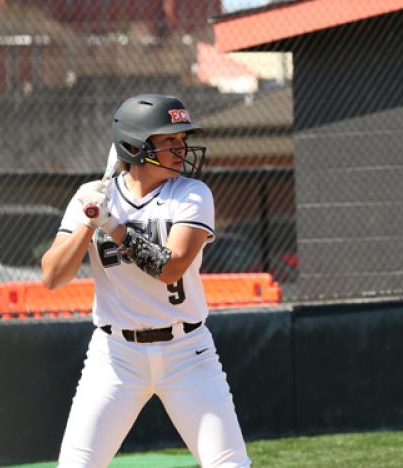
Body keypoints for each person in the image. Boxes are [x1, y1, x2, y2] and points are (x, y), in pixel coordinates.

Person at [41, 93, 251, 467]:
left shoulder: (191, 193)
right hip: (115, 356)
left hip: (188, 352)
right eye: (169, 140)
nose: (181, 147)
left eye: (181, 139)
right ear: (136, 146)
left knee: (230, 464)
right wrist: (87, 222)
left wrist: (111, 225)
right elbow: (53, 276)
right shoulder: (93, 197)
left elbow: (169, 267)